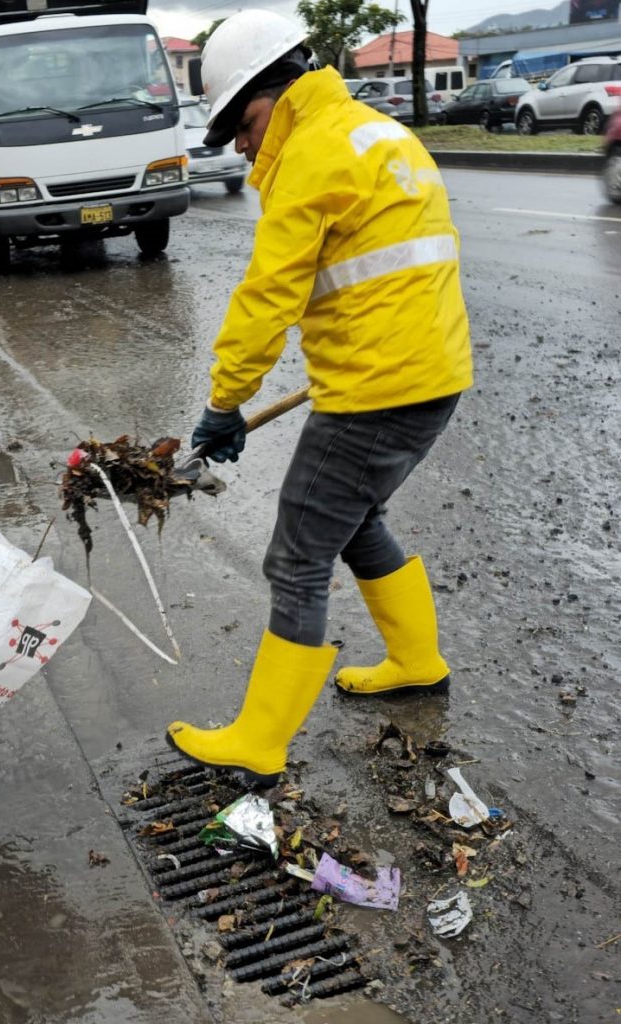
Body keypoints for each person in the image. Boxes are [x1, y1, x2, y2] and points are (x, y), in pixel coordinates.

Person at [166, 10, 473, 786]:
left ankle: (259, 742)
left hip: (376, 392)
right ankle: (416, 659)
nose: (240, 144)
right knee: (355, 516)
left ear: (273, 95)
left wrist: (225, 403)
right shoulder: (378, 132)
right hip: (429, 375)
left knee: (298, 551)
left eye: (242, 124)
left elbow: (267, 296)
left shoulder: (311, 154)